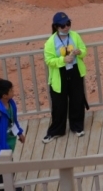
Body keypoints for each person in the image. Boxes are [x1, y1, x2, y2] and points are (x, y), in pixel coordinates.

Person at [43, 12, 87, 142]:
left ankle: (77, 127)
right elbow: (49, 60)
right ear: (56, 27)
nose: (66, 27)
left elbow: (84, 49)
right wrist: (63, 60)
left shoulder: (75, 35)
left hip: (75, 71)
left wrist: (80, 52)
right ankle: (56, 130)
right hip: (59, 74)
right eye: (63, 25)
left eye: (68, 24)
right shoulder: (50, 42)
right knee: (59, 104)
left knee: (77, 100)